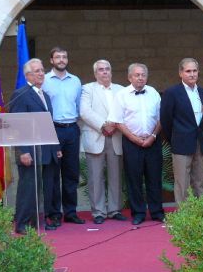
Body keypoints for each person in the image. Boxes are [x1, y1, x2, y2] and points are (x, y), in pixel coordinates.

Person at [10, 58, 61, 234]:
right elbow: (17, 125)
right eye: (37, 71)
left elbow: (48, 123)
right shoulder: (21, 94)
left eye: (42, 70)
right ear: (28, 75)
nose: (41, 73)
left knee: (43, 187)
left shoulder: (44, 95)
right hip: (29, 150)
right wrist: (23, 151)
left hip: (45, 149)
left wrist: (56, 148)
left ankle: (35, 221)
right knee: (28, 187)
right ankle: (22, 223)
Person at [109, 63, 165, 225]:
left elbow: (161, 118)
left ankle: (156, 212)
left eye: (143, 75)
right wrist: (135, 139)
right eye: (137, 75)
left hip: (152, 141)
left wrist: (153, 136)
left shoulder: (153, 93)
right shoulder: (122, 95)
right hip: (131, 143)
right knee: (134, 179)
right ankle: (138, 213)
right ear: (129, 77)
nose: (140, 77)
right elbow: (118, 121)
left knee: (154, 178)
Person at [79, 59, 126, 224]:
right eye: (101, 70)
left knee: (115, 176)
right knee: (95, 177)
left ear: (111, 72)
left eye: (107, 69)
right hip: (96, 136)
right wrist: (103, 125)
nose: (104, 72)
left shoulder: (121, 90)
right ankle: (98, 212)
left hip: (116, 136)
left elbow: (125, 110)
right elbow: (85, 111)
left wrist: (113, 125)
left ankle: (114, 210)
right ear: (95, 73)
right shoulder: (87, 89)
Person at [42, 47, 84, 225]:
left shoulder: (75, 81)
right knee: (52, 174)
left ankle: (71, 212)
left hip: (72, 129)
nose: (61, 60)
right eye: (57, 57)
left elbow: (78, 106)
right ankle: (54, 213)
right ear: (51, 60)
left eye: (64, 57)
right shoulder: (44, 81)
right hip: (53, 128)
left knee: (71, 173)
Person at [160, 58, 203, 204]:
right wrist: (174, 138)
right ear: (181, 73)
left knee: (200, 181)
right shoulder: (172, 93)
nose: (192, 74)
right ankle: (185, 217)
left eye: (194, 71)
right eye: (188, 71)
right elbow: (165, 120)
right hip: (181, 143)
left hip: (199, 143)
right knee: (182, 183)